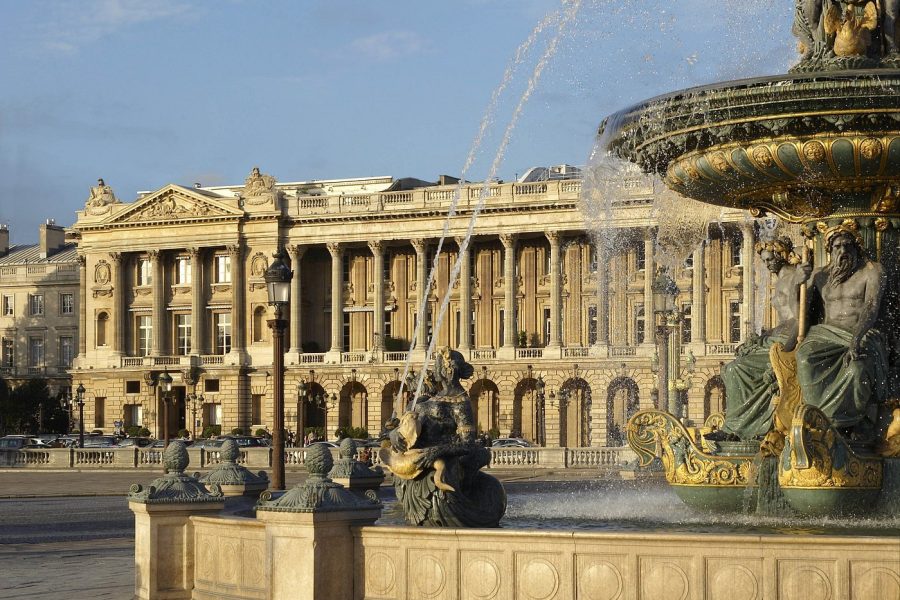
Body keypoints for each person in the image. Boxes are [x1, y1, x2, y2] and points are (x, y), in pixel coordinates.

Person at [708, 237, 805, 442]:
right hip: (775, 338)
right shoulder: (781, 280)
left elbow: (799, 320)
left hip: (786, 342)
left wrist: (782, 354)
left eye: (770, 260)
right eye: (764, 261)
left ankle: (736, 428)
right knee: (730, 368)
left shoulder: (795, 278)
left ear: (782, 255)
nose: (767, 264)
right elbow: (786, 320)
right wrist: (762, 337)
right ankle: (740, 426)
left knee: (736, 369)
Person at [796, 222, 888, 436]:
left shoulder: (872, 271)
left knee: (857, 368)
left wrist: (856, 339)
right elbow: (799, 311)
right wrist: (797, 282)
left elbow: (872, 306)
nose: (843, 251)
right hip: (826, 334)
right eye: (837, 247)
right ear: (830, 251)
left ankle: (849, 424)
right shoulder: (819, 276)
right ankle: (816, 419)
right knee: (804, 359)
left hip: (860, 333)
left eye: (848, 246)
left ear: (857, 248)